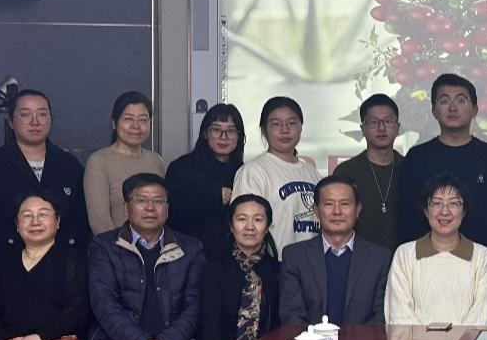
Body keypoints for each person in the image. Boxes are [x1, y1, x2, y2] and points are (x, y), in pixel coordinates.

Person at [86, 173, 203, 340]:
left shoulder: (190, 248)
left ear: (167, 209)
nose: (150, 208)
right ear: (126, 207)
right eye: (141, 200)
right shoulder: (104, 246)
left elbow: (194, 306)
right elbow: (104, 304)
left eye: (158, 201)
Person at [0, 90, 90, 276]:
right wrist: (27, 256)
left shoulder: (69, 165)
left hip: (63, 270)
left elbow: (80, 218)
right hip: (8, 269)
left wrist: (59, 256)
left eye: (42, 114)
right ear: (10, 121)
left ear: (50, 119)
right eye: (25, 114)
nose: (35, 121)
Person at [397, 75, 487, 254]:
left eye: (461, 100)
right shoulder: (417, 158)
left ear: (475, 110)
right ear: (434, 111)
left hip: (480, 259)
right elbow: (407, 217)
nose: (452, 108)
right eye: (444, 101)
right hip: (426, 259)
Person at [0, 191, 90, 340]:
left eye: (43, 214)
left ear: (58, 221)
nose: (35, 221)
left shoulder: (73, 260)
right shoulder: (2, 262)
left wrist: (41, 338)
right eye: (27, 215)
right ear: (17, 224)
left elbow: (78, 310)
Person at [279, 176, 390, 326]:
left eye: (345, 204)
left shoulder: (379, 258)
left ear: (357, 210)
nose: (337, 211)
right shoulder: (295, 257)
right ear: (316, 210)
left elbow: (380, 317)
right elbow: (292, 316)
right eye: (329, 204)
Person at [387, 174, 487, 326]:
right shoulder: (405, 255)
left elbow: (481, 319)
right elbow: (400, 316)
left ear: (464, 211)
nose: (445, 212)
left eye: (453, 204)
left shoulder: (483, 257)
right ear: (426, 210)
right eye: (437, 203)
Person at [199, 194, 282, 340]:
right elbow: (209, 319)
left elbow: (280, 322)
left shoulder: (279, 270)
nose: (250, 227)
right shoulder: (213, 268)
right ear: (231, 226)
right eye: (242, 219)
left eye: (258, 220)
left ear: (267, 227)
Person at [231, 97, 320, 251]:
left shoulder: (312, 173)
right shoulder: (253, 171)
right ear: (264, 130)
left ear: (301, 127)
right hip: (274, 262)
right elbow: (244, 228)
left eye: (292, 123)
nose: (285, 130)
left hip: (312, 262)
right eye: (276, 124)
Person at [166, 103, 246, 255]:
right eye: (216, 130)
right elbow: (172, 213)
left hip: (231, 256)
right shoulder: (181, 168)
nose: (224, 137)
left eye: (231, 131)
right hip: (187, 254)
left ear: (239, 136)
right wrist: (214, 197)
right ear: (205, 133)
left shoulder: (244, 172)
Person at [84, 92, 167, 234]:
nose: (136, 126)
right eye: (128, 119)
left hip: (155, 244)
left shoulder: (156, 161)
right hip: (114, 246)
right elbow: (99, 222)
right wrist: (120, 247)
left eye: (143, 120)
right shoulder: (99, 161)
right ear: (114, 123)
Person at [333, 93, 404, 253]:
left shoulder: (410, 168)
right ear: (363, 129)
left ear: (398, 127)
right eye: (373, 122)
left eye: (388, 121)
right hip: (358, 260)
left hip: (404, 260)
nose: (381, 128)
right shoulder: (346, 172)